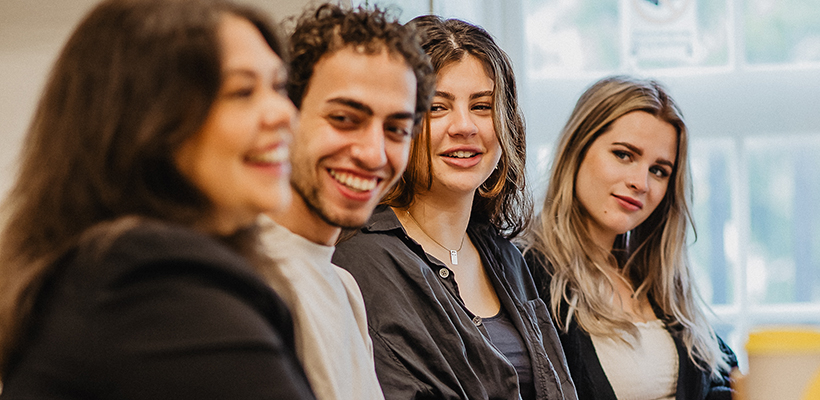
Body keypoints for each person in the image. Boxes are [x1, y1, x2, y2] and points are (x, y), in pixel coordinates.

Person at [0, 0, 315, 398]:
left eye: (279, 87)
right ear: (145, 122)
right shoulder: (147, 285)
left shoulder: (105, 272)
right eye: (242, 91)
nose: (284, 114)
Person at [332, 16, 577, 400]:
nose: (465, 126)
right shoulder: (361, 260)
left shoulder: (505, 257)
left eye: (482, 106)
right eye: (436, 107)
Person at [521, 75, 738, 400]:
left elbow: (720, 374)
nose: (641, 183)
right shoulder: (525, 272)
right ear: (577, 149)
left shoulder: (655, 281)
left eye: (659, 170)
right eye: (624, 155)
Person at [258, 4, 434, 400]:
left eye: (396, 129)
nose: (374, 154)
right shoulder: (247, 277)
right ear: (287, 114)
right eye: (344, 118)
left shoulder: (346, 288)